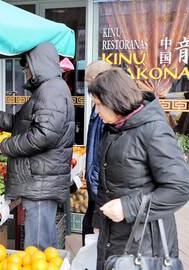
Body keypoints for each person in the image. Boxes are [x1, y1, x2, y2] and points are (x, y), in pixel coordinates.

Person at [0, 42, 75, 250]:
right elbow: (17, 123)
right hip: (39, 179)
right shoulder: (48, 89)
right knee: (45, 247)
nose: (24, 73)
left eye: (26, 68)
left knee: (37, 247)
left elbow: (44, 135)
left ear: (37, 65)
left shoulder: (50, 91)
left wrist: (4, 146)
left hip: (41, 182)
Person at [89, 68, 189, 270]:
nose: (96, 111)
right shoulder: (114, 128)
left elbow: (179, 189)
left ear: (115, 101)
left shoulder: (154, 130)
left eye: (99, 105)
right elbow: (108, 182)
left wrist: (128, 207)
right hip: (113, 235)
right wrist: (98, 220)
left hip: (145, 244)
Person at [82, 60, 112, 246]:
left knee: (93, 235)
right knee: (89, 231)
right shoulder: (99, 106)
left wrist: (94, 179)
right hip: (97, 185)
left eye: (88, 83)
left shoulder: (108, 110)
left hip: (101, 187)